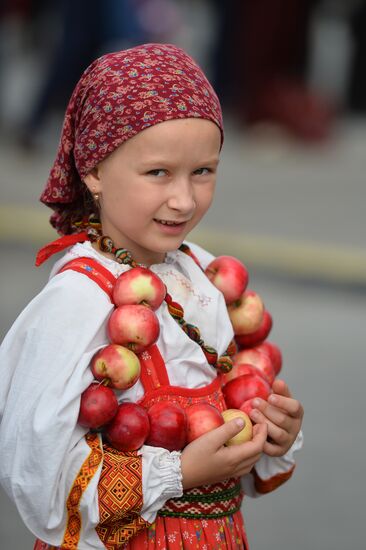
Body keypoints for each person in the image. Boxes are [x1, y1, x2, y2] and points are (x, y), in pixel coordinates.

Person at [0, 43, 304, 549]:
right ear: (93, 170)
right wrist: (179, 472)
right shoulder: (78, 299)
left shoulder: (204, 275)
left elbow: (244, 474)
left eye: (203, 171)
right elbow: (37, 474)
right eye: (158, 172)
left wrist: (271, 436)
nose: (183, 199)